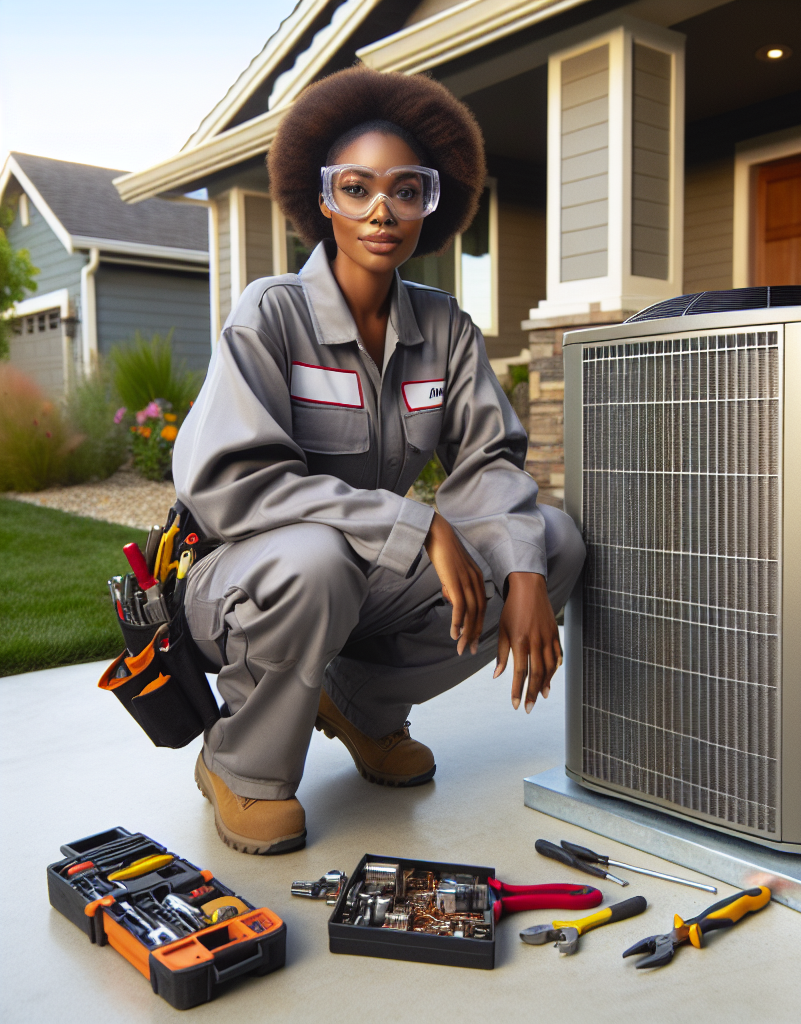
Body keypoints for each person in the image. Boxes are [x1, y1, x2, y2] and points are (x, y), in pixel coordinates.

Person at [173, 66, 586, 854]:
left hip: (364, 573)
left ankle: (362, 706)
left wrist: (527, 576)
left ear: (433, 202)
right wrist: (416, 523)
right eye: (356, 188)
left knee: (555, 542)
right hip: (249, 579)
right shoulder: (271, 314)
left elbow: (489, 456)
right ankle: (240, 766)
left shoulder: (444, 327)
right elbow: (232, 483)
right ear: (322, 198)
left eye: (406, 190)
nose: (381, 211)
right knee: (317, 559)